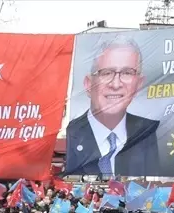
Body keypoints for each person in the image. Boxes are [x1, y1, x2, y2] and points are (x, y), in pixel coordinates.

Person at [63, 37, 160, 177]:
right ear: (88, 84)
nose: (115, 84)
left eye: (127, 73)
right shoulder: (72, 133)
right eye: (106, 73)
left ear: (139, 84)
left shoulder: (152, 133)